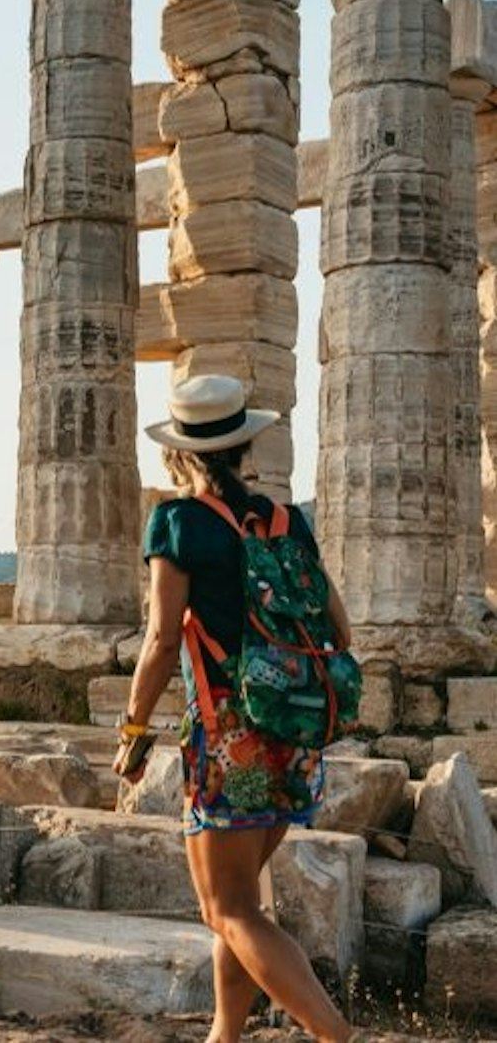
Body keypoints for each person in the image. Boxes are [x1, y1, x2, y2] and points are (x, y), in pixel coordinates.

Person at [114, 376, 356, 1043]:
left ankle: (337, 1036)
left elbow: (163, 639)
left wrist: (134, 731)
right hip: (297, 734)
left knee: (230, 912)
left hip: (231, 737)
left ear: (181, 454)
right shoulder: (285, 520)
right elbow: (341, 628)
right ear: (244, 444)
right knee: (240, 901)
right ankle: (225, 1035)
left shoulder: (178, 522)